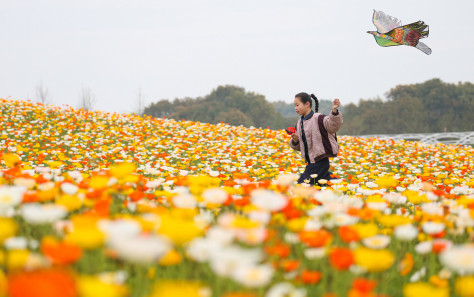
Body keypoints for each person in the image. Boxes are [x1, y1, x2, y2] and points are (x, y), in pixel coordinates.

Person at [289, 92, 343, 185]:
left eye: (297, 105)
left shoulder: (319, 118)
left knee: (302, 185)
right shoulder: (299, 123)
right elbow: (300, 146)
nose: (295, 108)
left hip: (320, 161)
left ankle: (337, 185)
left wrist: (334, 111)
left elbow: (333, 126)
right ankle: (338, 184)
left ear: (307, 104)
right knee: (322, 184)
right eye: (294, 106)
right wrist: (295, 140)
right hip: (311, 162)